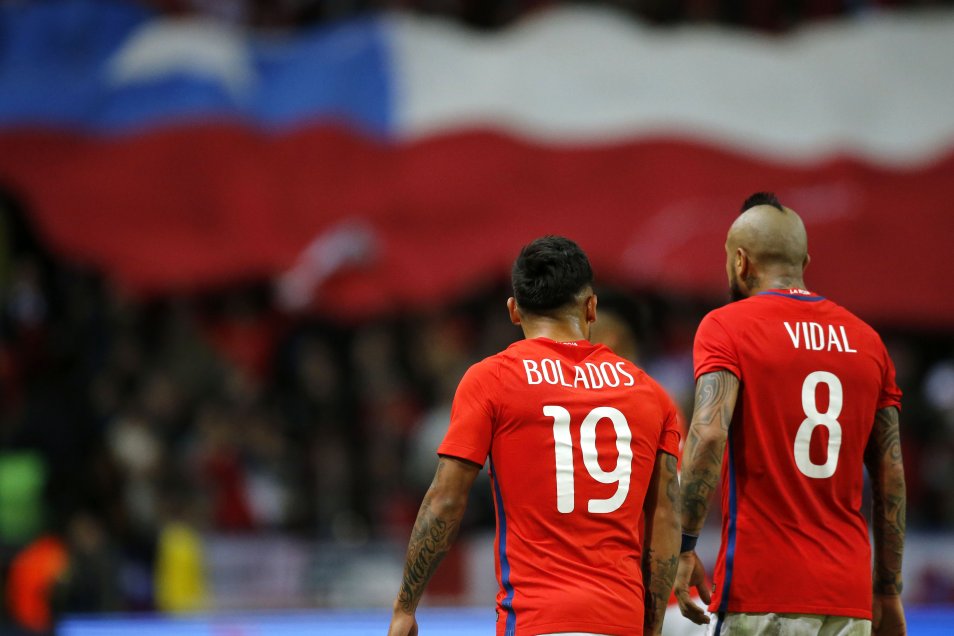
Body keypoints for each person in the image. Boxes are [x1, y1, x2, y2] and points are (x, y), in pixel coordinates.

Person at [388, 236, 683, 636]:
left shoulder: (491, 380)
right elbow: (665, 520)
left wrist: (406, 607)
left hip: (533, 618)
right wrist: (651, 628)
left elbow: (445, 499)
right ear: (592, 307)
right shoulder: (651, 394)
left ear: (514, 310)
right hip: (620, 619)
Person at [674, 193, 906, 635]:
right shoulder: (868, 341)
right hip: (848, 599)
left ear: (740, 262)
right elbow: (891, 476)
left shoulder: (727, 326)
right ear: (805, 260)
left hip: (761, 593)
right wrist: (888, 590)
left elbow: (706, 436)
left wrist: (684, 547)